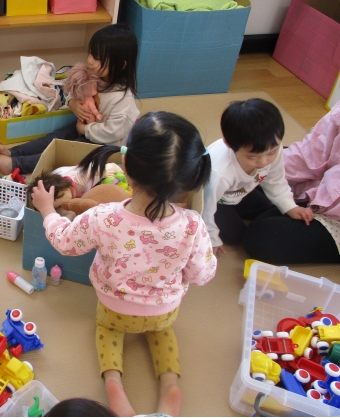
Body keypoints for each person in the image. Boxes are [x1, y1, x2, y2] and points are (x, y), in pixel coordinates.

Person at [31, 112, 216, 417]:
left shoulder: (103, 216)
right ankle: (171, 385)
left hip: (114, 307)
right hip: (164, 310)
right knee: (163, 332)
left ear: (125, 166)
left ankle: (114, 383)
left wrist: (48, 210)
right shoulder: (193, 225)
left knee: (106, 329)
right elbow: (201, 275)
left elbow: (65, 241)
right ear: (187, 180)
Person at [0, 23, 140, 175]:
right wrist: (73, 103)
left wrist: (85, 130)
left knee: (64, 152)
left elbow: (112, 133)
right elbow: (73, 91)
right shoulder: (96, 76)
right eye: (91, 53)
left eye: (98, 58)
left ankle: (15, 164)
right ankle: (13, 153)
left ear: (120, 65)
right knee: (54, 137)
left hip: (106, 144)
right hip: (86, 127)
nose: (90, 60)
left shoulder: (123, 100)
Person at [202, 98, 314, 257]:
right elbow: (205, 206)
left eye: (272, 152)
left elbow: (276, 180)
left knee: (266, 208)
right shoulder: (219, 173)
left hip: (238, 191)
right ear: (229, 144)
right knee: (236, 236)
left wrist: (290, 206)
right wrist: (211, 236)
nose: (264, 162)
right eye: (252, 157)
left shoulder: (273, 149)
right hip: (216, 200)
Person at [243, 102, 340, 264]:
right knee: (251, 165)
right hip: (317, 187)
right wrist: (263, 169)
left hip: (334, 216)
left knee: (262, 238)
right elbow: (310, 153)